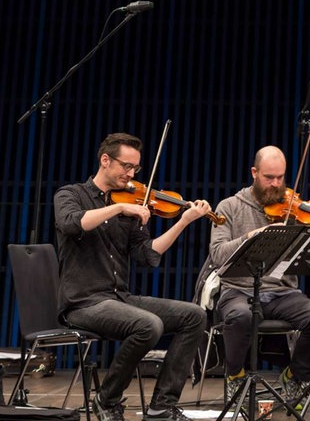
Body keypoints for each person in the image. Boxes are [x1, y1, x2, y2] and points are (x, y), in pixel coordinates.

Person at [55, 133, 212, 421]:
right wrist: (118, 208)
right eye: (126, 166)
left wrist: (183, 222)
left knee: (194, 316)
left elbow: (146, 254)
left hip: (118, 298)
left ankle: (161, 405)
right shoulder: (70, 194)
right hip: (83, 302)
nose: (130, 175)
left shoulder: (131, 202)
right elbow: (71, 223)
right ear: (105, 160)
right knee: (148, 325)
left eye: (136, 169)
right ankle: (106, 399)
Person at [195, 145, 310, 403]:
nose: (276, 185)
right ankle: (236, 375)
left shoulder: (294, 210)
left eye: (280, 178)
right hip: (237, 289)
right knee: (240, 316)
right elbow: (217, 255)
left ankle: (295, 376)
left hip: (282, 291)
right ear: (254, 173)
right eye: (269, 178)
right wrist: (249, 238)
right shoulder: (228, 207)